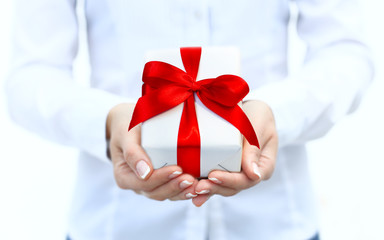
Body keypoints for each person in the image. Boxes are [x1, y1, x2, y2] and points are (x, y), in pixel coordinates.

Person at [6, 0, 373, 239]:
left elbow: (345, 51)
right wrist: (108, 122)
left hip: (273, 222)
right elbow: (30, 74)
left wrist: (275, 113)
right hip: (117, 224)